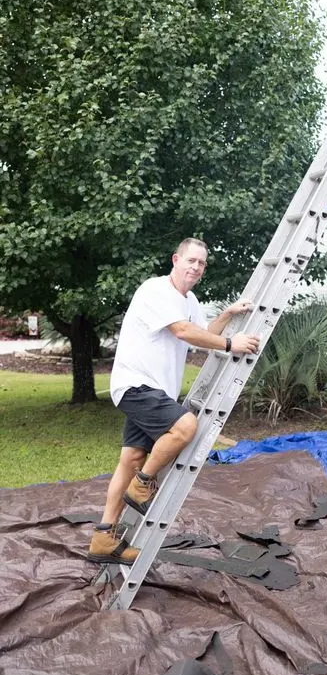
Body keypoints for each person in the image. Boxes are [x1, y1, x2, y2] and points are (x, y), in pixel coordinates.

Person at [87, 237, 260, 565]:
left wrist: (226, 314)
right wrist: (229, 343)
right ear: (175, 260)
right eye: (191, 260)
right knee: (186, 425)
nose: (196, 267)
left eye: (202, 263)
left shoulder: (189, 300)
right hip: (136, 384)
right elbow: (182, 332)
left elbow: (200, 332)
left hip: (155, 391)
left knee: (131, 457)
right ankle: (143, 485)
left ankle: (103, 538)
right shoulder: (155, 290)